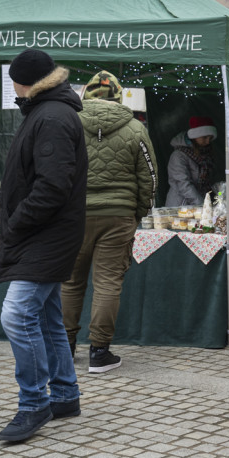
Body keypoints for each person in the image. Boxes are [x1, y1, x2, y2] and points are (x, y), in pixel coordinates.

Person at [0, 49, 87, 442]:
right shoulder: (48, 111)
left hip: (46, 234)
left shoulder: (52, 116)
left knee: (16, 315)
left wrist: (16, 221)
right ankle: (64, 394)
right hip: (47, 233)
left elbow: (52, 187)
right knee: (46, 317)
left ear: (22, 82)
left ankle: (34, 403)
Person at [61, 70, 158, 373]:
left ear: (86, 94)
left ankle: (65, 349)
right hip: (118, 216)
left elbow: (56, 170)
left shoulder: (68, 124)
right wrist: (137, 212)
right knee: (107, 284)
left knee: (70, 283)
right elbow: (150, 178)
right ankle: (99, 353)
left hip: (74, 216)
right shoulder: (135, 128)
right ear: (118, 96)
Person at [165, 116, 217, 206]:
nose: (208, 141)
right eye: (205, 137)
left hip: (201, 203)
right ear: (195, 136)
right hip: (180, 205)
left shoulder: (206, 154)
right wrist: (202, 205)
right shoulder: (178, 156)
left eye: (210, 138)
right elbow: (183, 184)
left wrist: (218, 197)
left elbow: (211, 182)